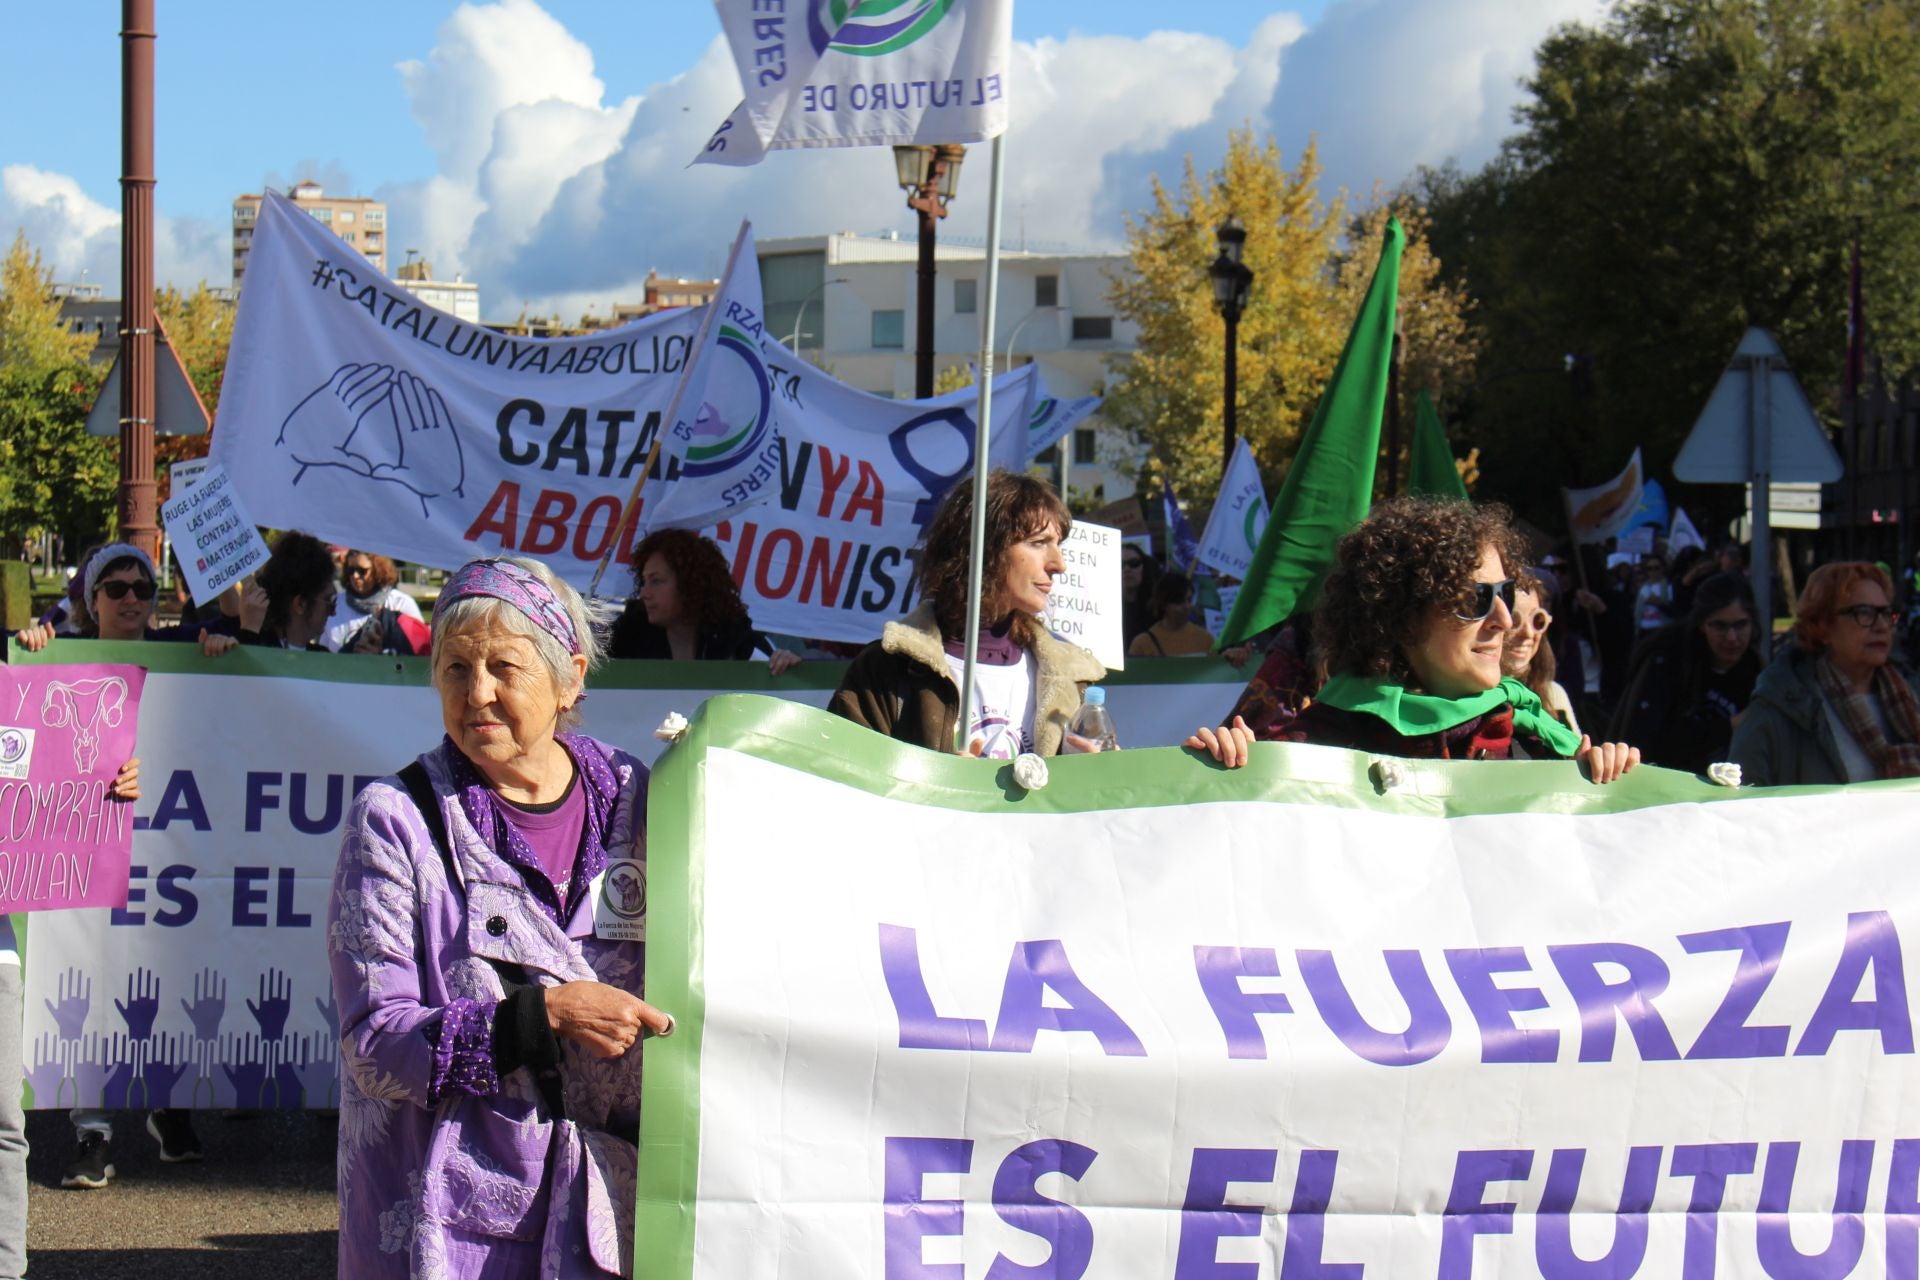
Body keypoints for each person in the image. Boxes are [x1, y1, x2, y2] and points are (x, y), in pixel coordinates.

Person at [329, 555, 672, 1276]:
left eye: (503, 669)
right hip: (451, 1222)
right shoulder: (397, 822)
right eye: (455, 669)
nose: (477, 694)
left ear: (569, 678)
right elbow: (372, 1044)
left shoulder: (637, 800)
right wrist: (539, 1017)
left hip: (614, 1208)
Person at [12, 542, 219, 1189]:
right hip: (88, 850)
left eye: (142, 588)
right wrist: (28, 646)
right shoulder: (57, 658)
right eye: (116, 587)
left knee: (170, 974)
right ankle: (92, 1133)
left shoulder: (185, 657)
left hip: (171, 851)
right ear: (91, 598)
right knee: (89, 981)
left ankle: (168, 1107)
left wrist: (224, 642)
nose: (131, 597)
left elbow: (233, 721)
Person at [830, 470, 1252, 765]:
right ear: (980, 548)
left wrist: (1197, 763)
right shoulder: (885, 672)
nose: (1058, 564)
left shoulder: (1071, 681)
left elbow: (1106, 808)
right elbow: (841, 790)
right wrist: (938, 786)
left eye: (1060, 545)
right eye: (1038, 543)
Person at [1276, 497, 1639, 780]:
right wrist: (1232, 766)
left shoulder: (1541, 744)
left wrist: (1604, 785)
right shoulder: (1311, 747)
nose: (1504, 620)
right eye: (1472, 599)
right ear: (1402, 618)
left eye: (1506, 593)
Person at [1729, 561, 1920, 785]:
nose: (1881, 626)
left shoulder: (1909, 697)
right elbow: (1741, 803)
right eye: (1864, 613)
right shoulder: (1781, 707)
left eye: (1886, 613)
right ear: (1822, 625)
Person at [1609, 573, 1762, 774]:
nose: (1732, 637)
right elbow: (1644, 741)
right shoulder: (1667, 661)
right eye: (1720, 626)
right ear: (1701, 624)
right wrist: (1729, 726)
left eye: (1741, 624)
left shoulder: (1755, 671)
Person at [607, 529, 800, 674]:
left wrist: (785, 663)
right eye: (644, 581)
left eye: (656, 581)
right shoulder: (624, 638)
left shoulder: (734, 636)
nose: (644, 593)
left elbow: (776, 679)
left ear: (690, 584)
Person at [1502, 572, 1579, 733]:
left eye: (1537, 620)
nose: (1528, 633)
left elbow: (1577, 754)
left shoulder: (1553, 694)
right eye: (1513, 620)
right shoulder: (1465, 699)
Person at [238, 531, 338, 651]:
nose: (333, 613)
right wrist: (249, 633)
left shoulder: (324, 657)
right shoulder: (255, 646)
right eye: (330, 602)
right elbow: (244, 668)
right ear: (301, 604)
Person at [320, 550, 426, 653]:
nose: (355, 576)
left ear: (378, 570)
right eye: (351, 570)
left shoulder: (401, 603)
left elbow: (421, 647)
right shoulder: (336, 603)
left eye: (362, 571)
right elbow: (324, 651)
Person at [1127, 572, 1214, 657]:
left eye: (1189, 600)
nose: (1187, 606)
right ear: (1164, 604)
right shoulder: (1143, 644)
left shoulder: (1205, 639)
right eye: (1179, 602)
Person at [1120, 545, 1162, 650]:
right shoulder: (1103, 611)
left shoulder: (1158, 610)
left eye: (1134, 563)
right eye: (1120, 564)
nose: (1127, 569)